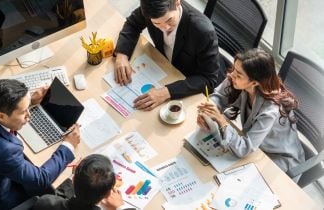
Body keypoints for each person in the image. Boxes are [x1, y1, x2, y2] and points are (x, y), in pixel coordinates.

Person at [0, 79, 81, 210]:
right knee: (48, 193)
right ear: (1, 116)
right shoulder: (4, 151)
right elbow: (41, 178)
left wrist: (30, 101)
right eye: (23, 112)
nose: (29, 115)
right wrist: (68, 145)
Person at [197, 49, 305, 180]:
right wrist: (207, 112)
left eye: (238, 75)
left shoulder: (270, 110)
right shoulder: (237, 78)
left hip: (277, 160)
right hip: (254, 146)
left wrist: (222, 121)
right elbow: (218, 97)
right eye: (234, 70)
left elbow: (244, 148)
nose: (231, 76)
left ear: (254, 82)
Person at [114, 0, 223, 111]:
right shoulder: (151, 9)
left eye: (169, 20)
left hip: (187, 83)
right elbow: (133, 23)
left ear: (177, 2)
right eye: (157, 24)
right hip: (163, 69)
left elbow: (208, 79)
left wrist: (167, 92)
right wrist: (122, 55)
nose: (165, 28)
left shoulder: (203, 32)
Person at [32, 154, 135, 210]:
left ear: (73, 180)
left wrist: (74, 174)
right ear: (108, 194)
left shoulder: (45, 202)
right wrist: (121, 207)